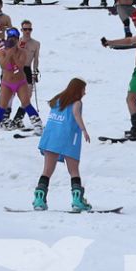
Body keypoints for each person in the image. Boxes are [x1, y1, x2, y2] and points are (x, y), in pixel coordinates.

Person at [34, 77, 90, 211]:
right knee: (74, 171)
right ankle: (77, 200)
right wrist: (84, 130)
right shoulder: (77, 103)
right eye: (84, 90)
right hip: (68, 139)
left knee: (47, 170)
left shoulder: (57, 99)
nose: (84, 93)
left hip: (51, 137)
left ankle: (39, 199)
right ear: (78, 90)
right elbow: (76, 114)